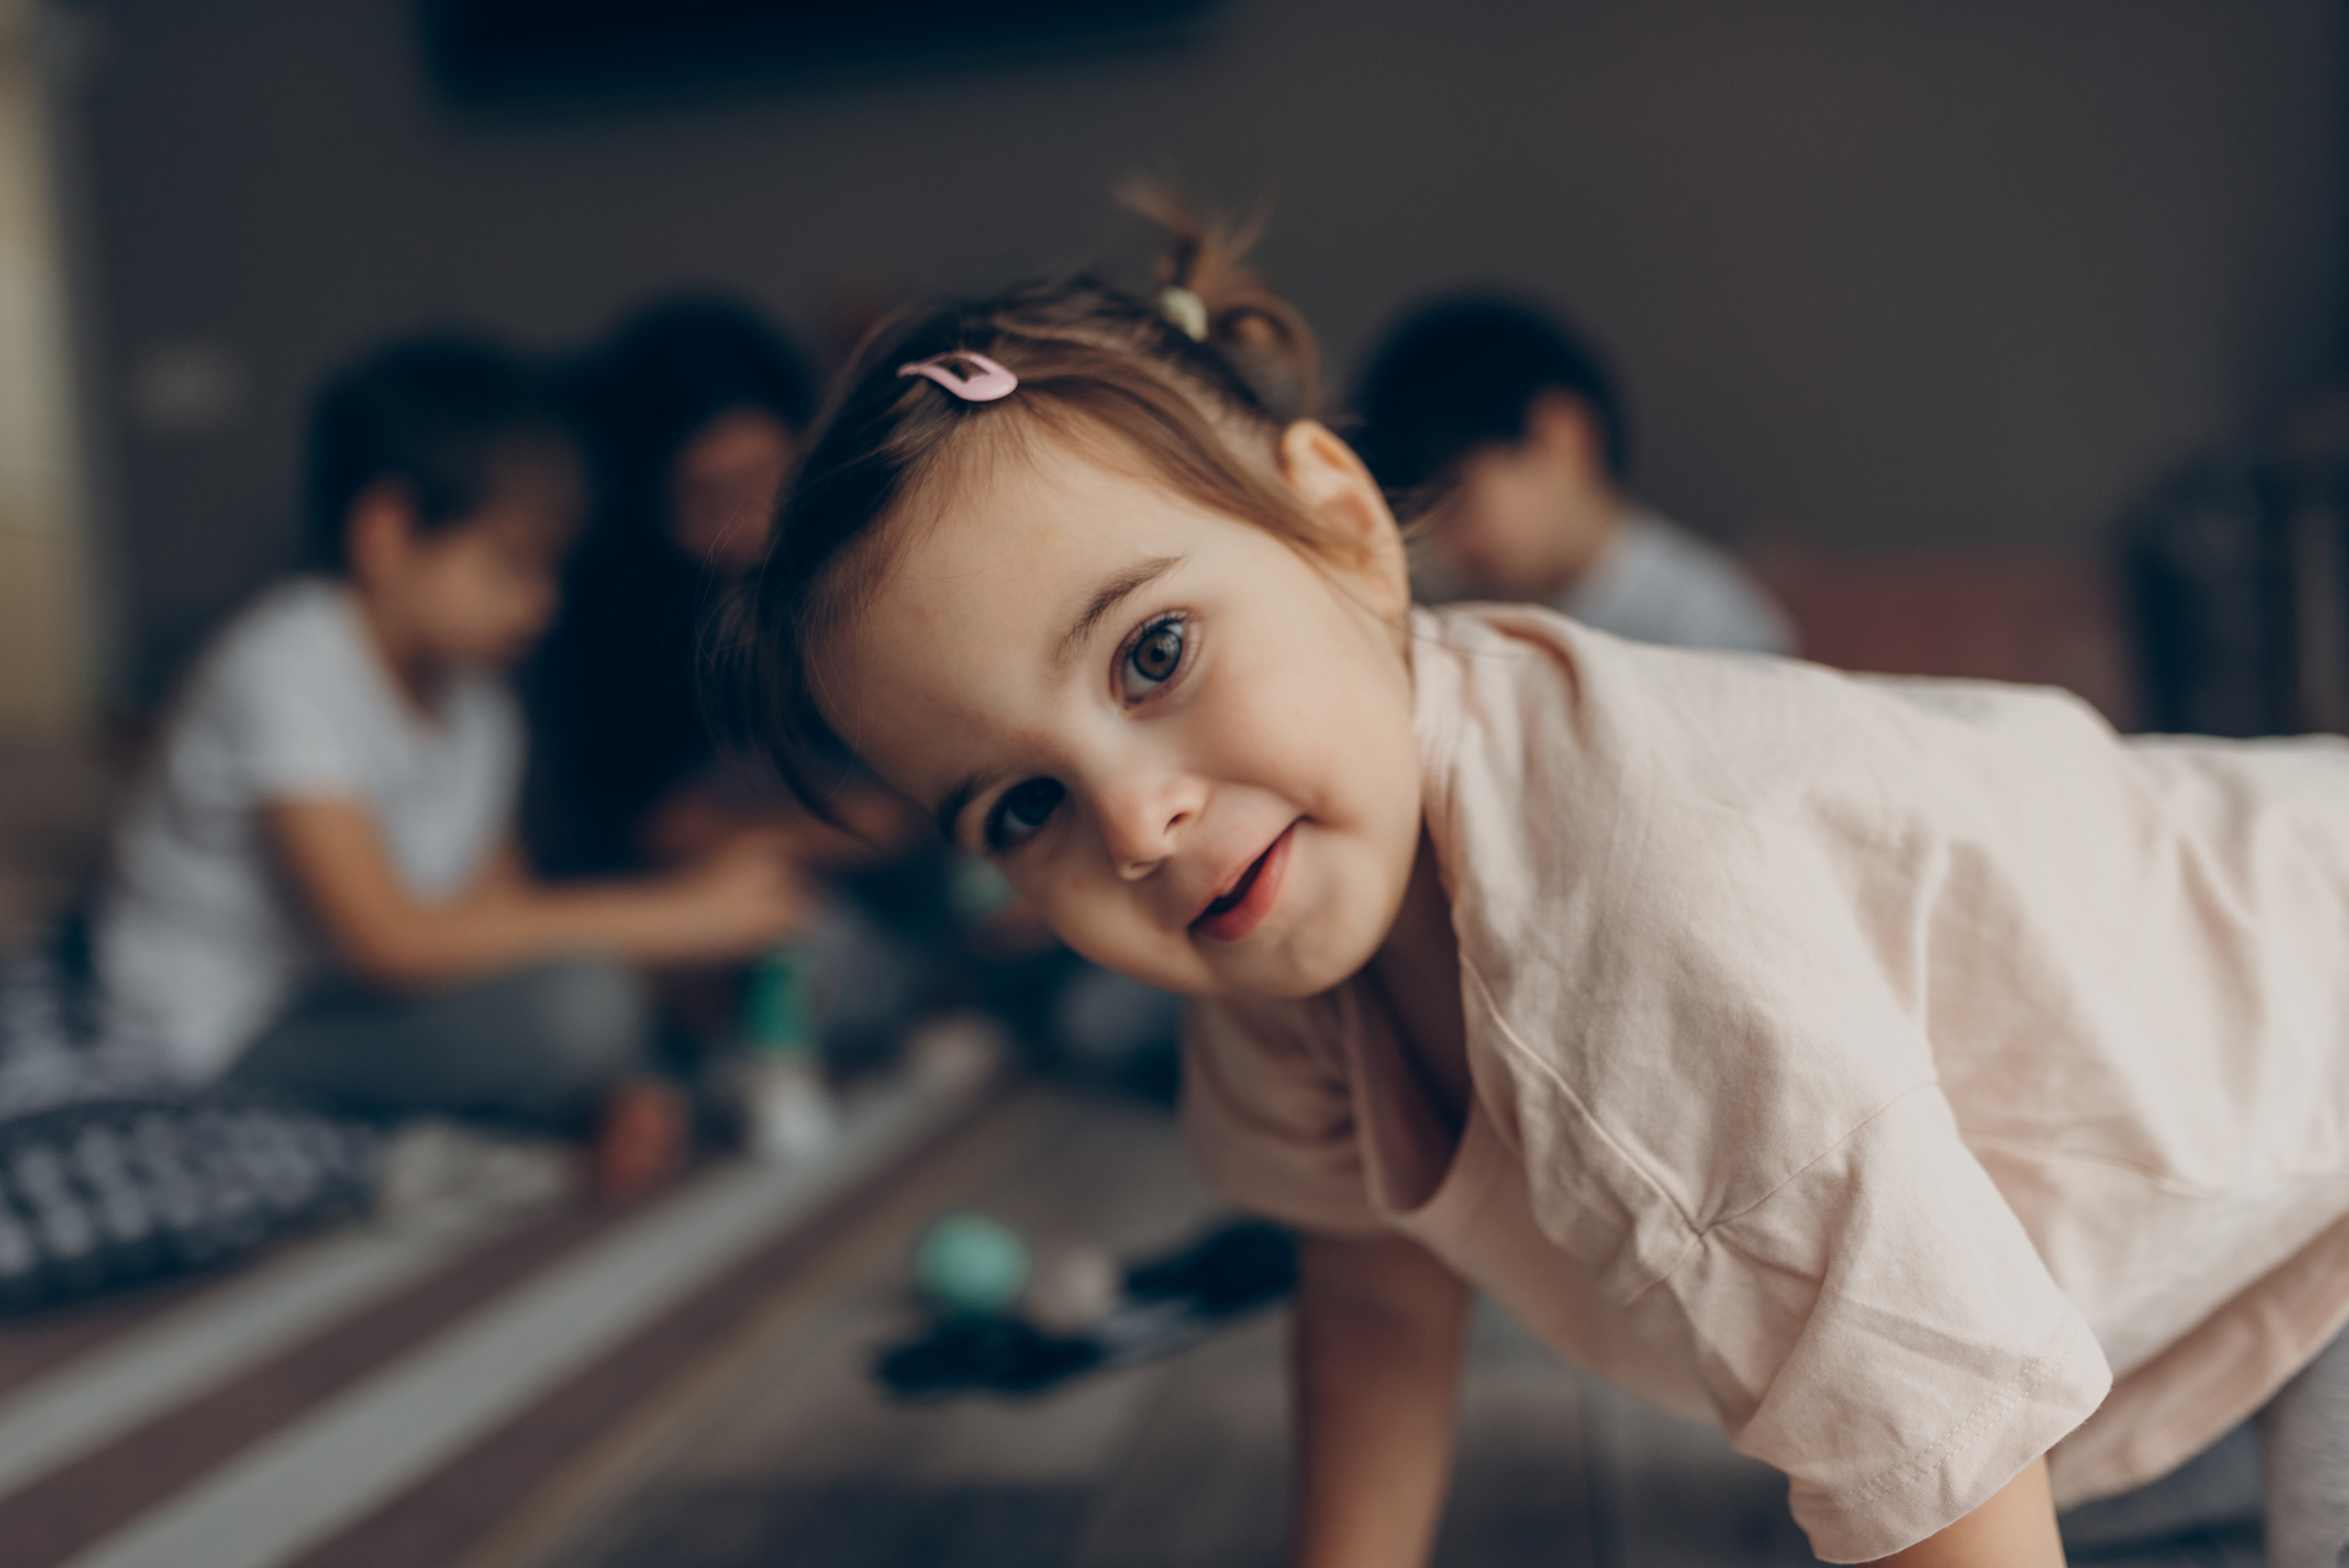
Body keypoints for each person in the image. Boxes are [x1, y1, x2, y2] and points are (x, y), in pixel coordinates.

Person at [714, 196, 2349, 1568]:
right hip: (2178, 1273)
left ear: (1346, 530)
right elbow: (1368, 1294)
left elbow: (1935, 1418)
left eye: (1153, 651)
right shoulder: (1276, 915)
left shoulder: (1639, 902)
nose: (1136, 822)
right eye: (1021, 808)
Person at [95, 338, 807, 1198]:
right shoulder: (284, 665)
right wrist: (670, 915)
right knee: (585, 1007)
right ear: (389, 532)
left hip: (360, 1004)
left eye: (551, 568)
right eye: (513, 564)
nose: (543, 604)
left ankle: (598, 1099)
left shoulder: (481, 705)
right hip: (232, 1026)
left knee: (639, 995)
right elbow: (385, 941)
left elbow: (497, 912)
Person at [1353, 294, 1795, 654]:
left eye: (1458, 499)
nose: (1447, 544)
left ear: (1560, 438)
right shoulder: (1473, 622)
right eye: (1424, 518)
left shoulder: (1706, 620)